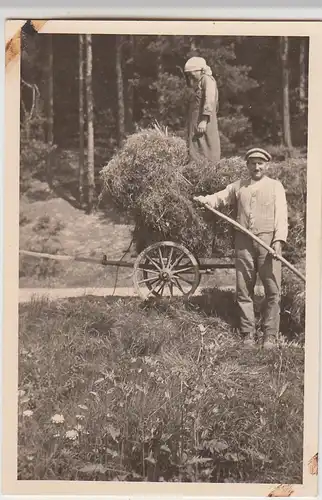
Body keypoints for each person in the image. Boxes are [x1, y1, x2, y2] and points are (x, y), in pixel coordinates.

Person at [194, 148, 288, 347]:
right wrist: (206, 199)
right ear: (247, 166)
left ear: (266, 165)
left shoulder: (275, 186)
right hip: (243, 242)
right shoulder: (239, 186)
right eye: (252, 163)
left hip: (267, 242)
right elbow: (221, 196)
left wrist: (278, 241)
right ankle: (248, 334)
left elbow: (281, 216)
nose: (256, 167)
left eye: (260, 163)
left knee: (273, 289)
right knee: (244, 289)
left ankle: (270, 334)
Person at [184, 56, 221, 164]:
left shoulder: (207, 79)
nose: (190, 76)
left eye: (192, 73)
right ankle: (196, 168)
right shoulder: (198, 82)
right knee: (196, 148)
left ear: (200, 70)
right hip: (196, 124)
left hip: (203, 122)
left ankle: (208, 169)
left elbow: (209, 99)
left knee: (207, 146)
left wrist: (204, 120)